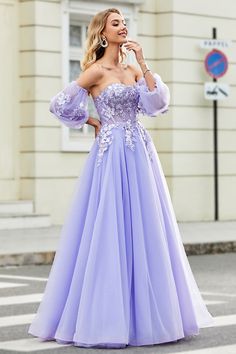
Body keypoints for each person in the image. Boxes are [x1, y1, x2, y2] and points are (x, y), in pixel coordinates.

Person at [28, 7, 214, 349]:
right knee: (110, 226)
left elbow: (157, 103)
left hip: (141, 154)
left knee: (147, 227)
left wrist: (142, 60)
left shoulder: (131, 69)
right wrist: (94, 122)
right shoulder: (94, 71)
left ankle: (147, 316)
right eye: (116, 24)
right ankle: (105, 318)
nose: (123, 27)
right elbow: (60, 105)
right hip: (111, 154)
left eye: (124, 22)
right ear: (102, 32)